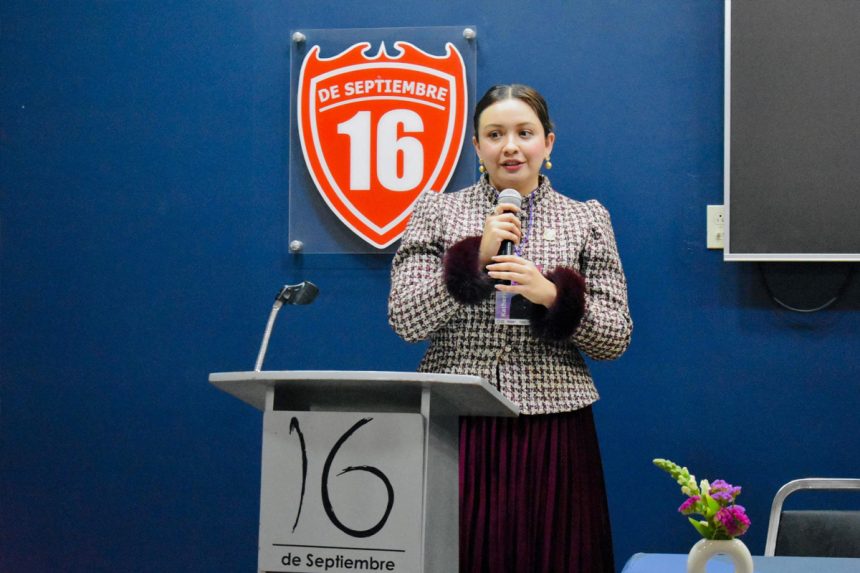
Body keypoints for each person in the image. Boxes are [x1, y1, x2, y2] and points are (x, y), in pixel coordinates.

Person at [388, 84, 632, 573]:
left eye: (525, 132)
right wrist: (475, 259)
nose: (511, 147)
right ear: (477, 146)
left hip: (554, 425)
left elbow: (615, 337)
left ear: (548, 142)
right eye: (495, 134)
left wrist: (552, 296)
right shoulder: (437, 210)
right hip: (457, 420)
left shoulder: (586, 218)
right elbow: (405, 319)